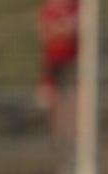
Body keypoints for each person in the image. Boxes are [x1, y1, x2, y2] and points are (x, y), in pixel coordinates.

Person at [37, 0, 78, 141]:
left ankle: (75, 137)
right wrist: (62, 30)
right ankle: (59, 139)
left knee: (75, 98)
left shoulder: (77, 6)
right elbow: (45, 31)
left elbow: (75, 30)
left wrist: (60, 30)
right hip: (53, 62)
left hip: (74, 62)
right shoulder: (48, 7)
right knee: (53, 100)